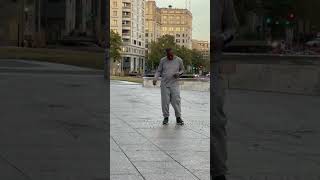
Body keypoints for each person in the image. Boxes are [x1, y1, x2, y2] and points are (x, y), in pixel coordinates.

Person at [212, 0, 238, 180]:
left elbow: (232, 27)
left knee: (215, 120)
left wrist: (221, 38)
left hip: (212, 63)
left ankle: (218, 172)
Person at [153, 48, 185, 125]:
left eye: (171, 55)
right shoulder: (163, 60)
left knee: (176, 101)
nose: (170, 57)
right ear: (166, 54)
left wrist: (179, 73)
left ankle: (178, 117)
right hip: (164, 84)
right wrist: (155, 78)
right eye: (168, 56)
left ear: (173, 53)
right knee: (165, 102)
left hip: (174, 84)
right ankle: (166, 117)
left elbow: (182, 70)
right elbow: (159, 71)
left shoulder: (179, 60)